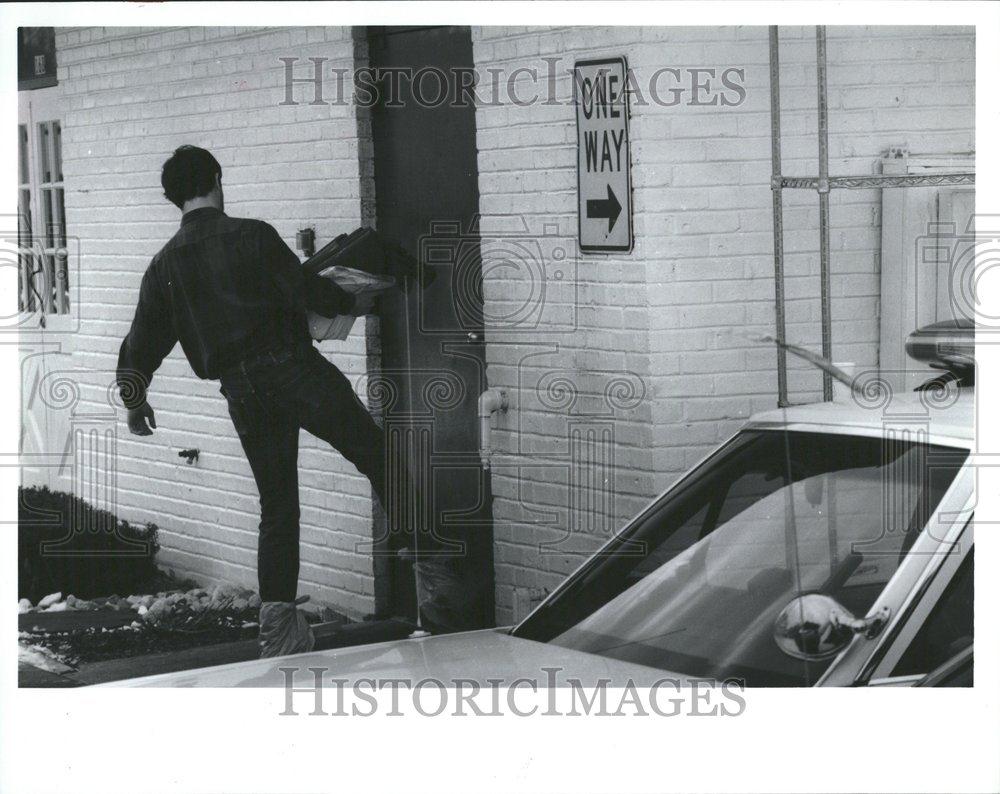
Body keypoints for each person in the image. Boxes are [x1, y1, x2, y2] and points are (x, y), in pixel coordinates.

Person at [117, 145, 467, 657]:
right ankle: (439, 590)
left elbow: (141, 341)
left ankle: (279, 635)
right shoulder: (251, 235)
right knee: (379, 457)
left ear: (174, 198)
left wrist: (134, 398)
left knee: (278, 506)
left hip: (240, 392)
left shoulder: (163, 265)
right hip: (294, 371)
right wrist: (359, 301)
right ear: (218, 177)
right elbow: (306, 291)